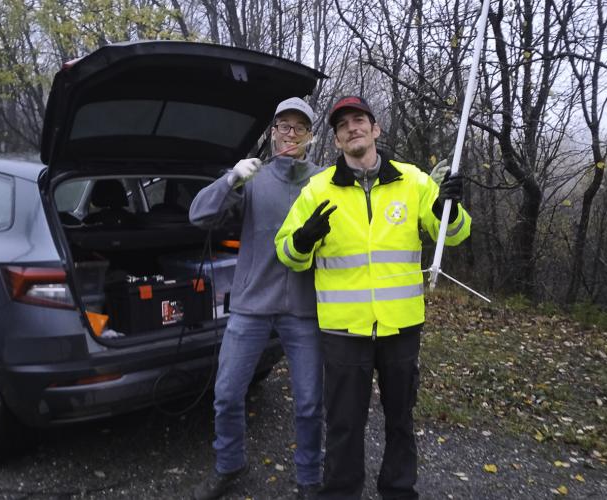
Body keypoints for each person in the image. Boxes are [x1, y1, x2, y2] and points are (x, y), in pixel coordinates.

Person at [274, 96, 471, 499]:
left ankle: (398, 491)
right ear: (337, 141)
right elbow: (287, 254)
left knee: (401, 419)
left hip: (401, 325)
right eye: (343, 124)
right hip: (344, 330)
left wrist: (448, 207)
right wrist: (303, 239)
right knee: (344, 423)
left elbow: (452, 234)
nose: (352, 127)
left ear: (375, 129)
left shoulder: (413, 181)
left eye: (359, 120)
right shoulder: (317, 189)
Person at [189, 97, 324, 500]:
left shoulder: (323, 181)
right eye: (283, 126)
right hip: (250, 305)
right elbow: (199, 217)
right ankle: (229, 465)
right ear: (272, 131)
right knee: (227, 393)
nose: (290, 134)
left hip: (304, 310)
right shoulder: (253, 178)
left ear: (310, 137)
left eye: (299, 128)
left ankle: (310, 477)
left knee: (310, 403)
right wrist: (230, 179)